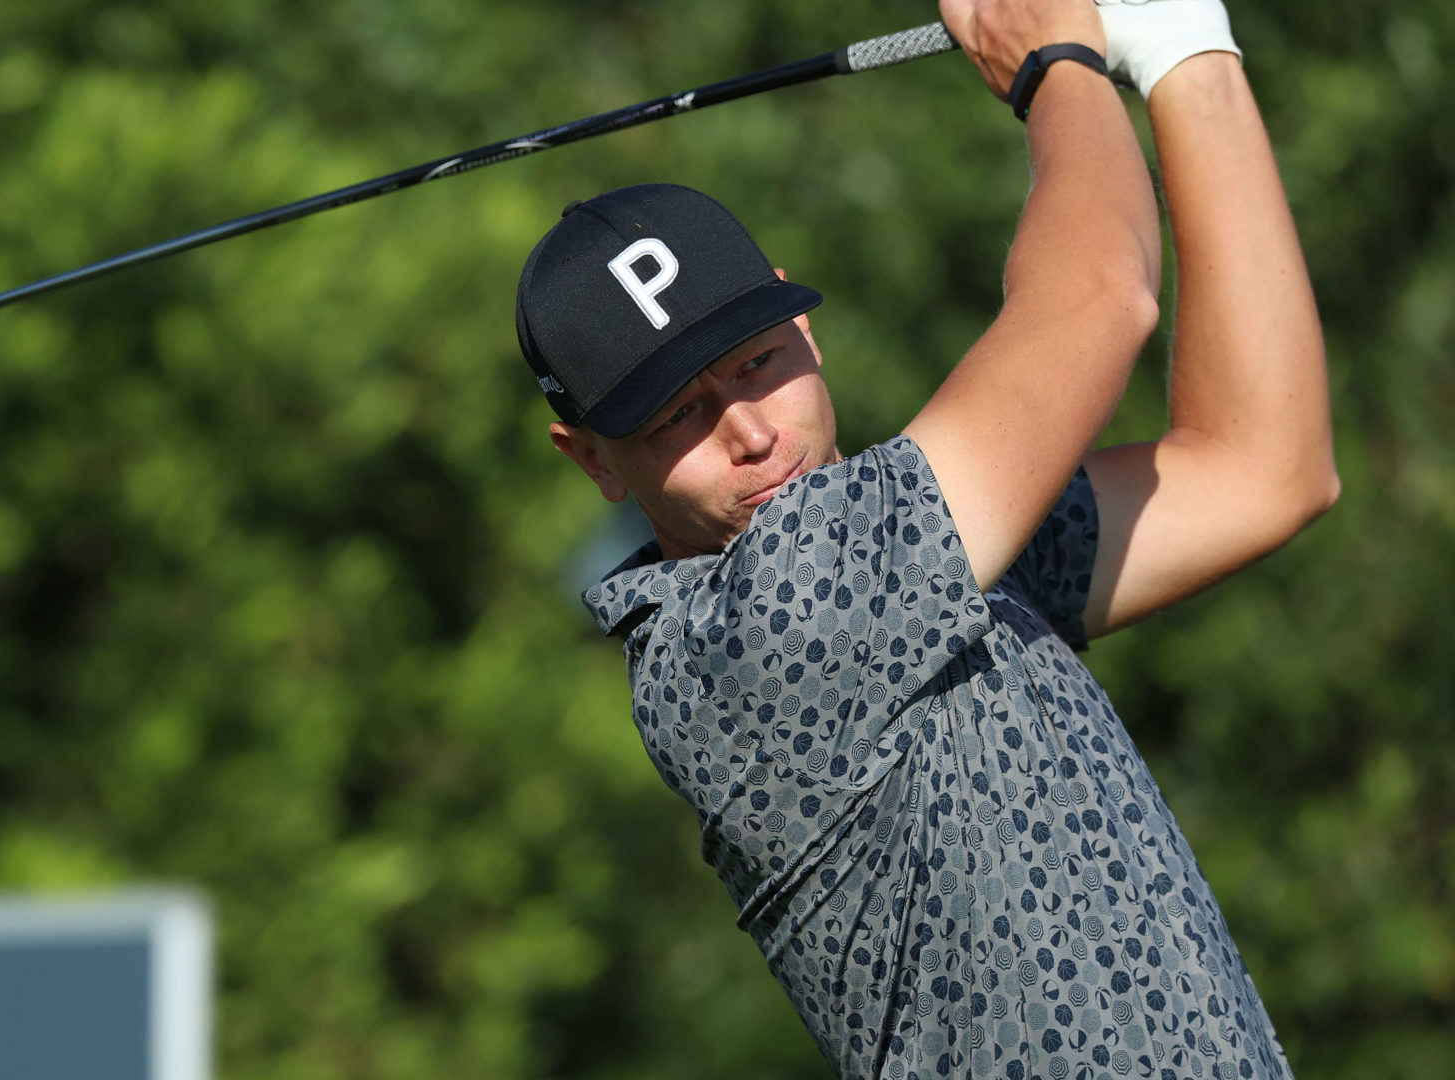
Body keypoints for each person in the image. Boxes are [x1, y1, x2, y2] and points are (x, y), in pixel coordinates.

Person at [514, 0, 1335, 1075]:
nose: (753, 433)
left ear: (799, 321)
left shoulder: (936, 569)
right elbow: (1097, 298)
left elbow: (1262, 467)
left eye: (756, 363)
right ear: (591, 460)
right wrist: (1058, 61)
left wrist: (1189, 56)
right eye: (678, 416)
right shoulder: (761, 629)